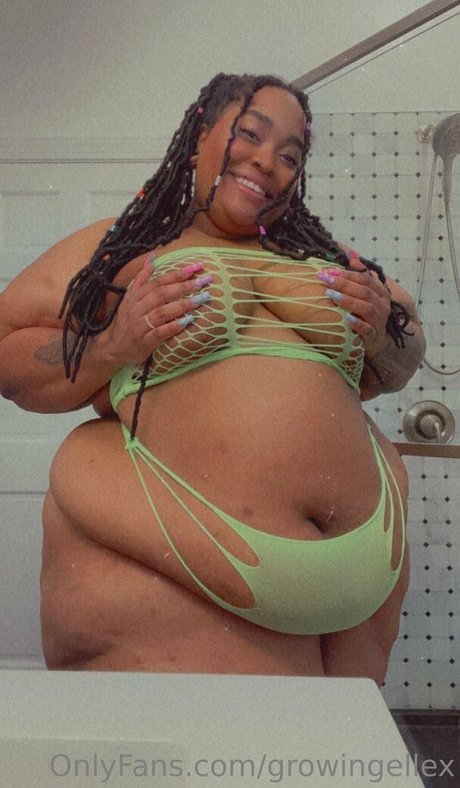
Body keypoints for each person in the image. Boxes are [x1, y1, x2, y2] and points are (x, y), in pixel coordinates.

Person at [0, 73, 425, 682]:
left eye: (289, 156)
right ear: (200, 138)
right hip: (200, 551)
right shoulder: (123, 248)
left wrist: (382, 332)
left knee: (340, 735)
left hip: (369, 556)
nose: (267, 161)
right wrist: (112, 345)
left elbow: (404, 356)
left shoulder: (322, 259)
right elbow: (7, 347)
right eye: (250, 134)